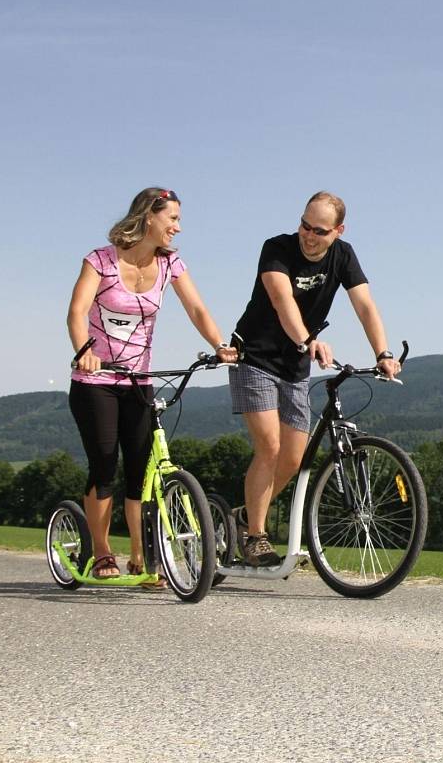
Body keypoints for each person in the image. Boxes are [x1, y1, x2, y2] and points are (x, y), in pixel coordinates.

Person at [67, 187, 236, 584]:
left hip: (139, 380)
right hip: (97, 378)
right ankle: (104, 550)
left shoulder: (170, 264)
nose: (177, 227)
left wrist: (220, 345)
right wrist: (84, 349)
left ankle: (141, 555)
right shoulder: (101, 261)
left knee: (142, 470)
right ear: (148, 218)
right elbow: (76, 312)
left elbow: (196, 307)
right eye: (172, 219)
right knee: (105, 465)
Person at [227, 190, 400, 566]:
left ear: (338, 230)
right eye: (304, 225)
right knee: (269, 447)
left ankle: (243, 516)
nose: (308, 235)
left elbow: (365, 304)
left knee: (292, 458)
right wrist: (309, 340)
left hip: (295, 365)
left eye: (319, 230)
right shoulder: (276, 247)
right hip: (255, 356)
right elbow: (280, 299)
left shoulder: (344, 255)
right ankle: (255, 536)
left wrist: (383, 352)